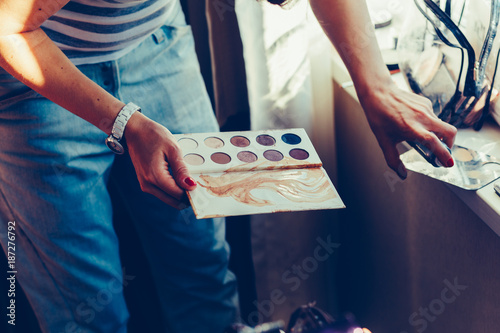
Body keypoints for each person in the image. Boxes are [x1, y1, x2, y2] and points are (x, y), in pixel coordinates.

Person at [0, 0, 457, 333]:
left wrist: (374, 83)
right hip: (29, 71)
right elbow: (6, 27)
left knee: (204, 273)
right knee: (85, 311)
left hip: (153, 43)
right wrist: (125, 122)